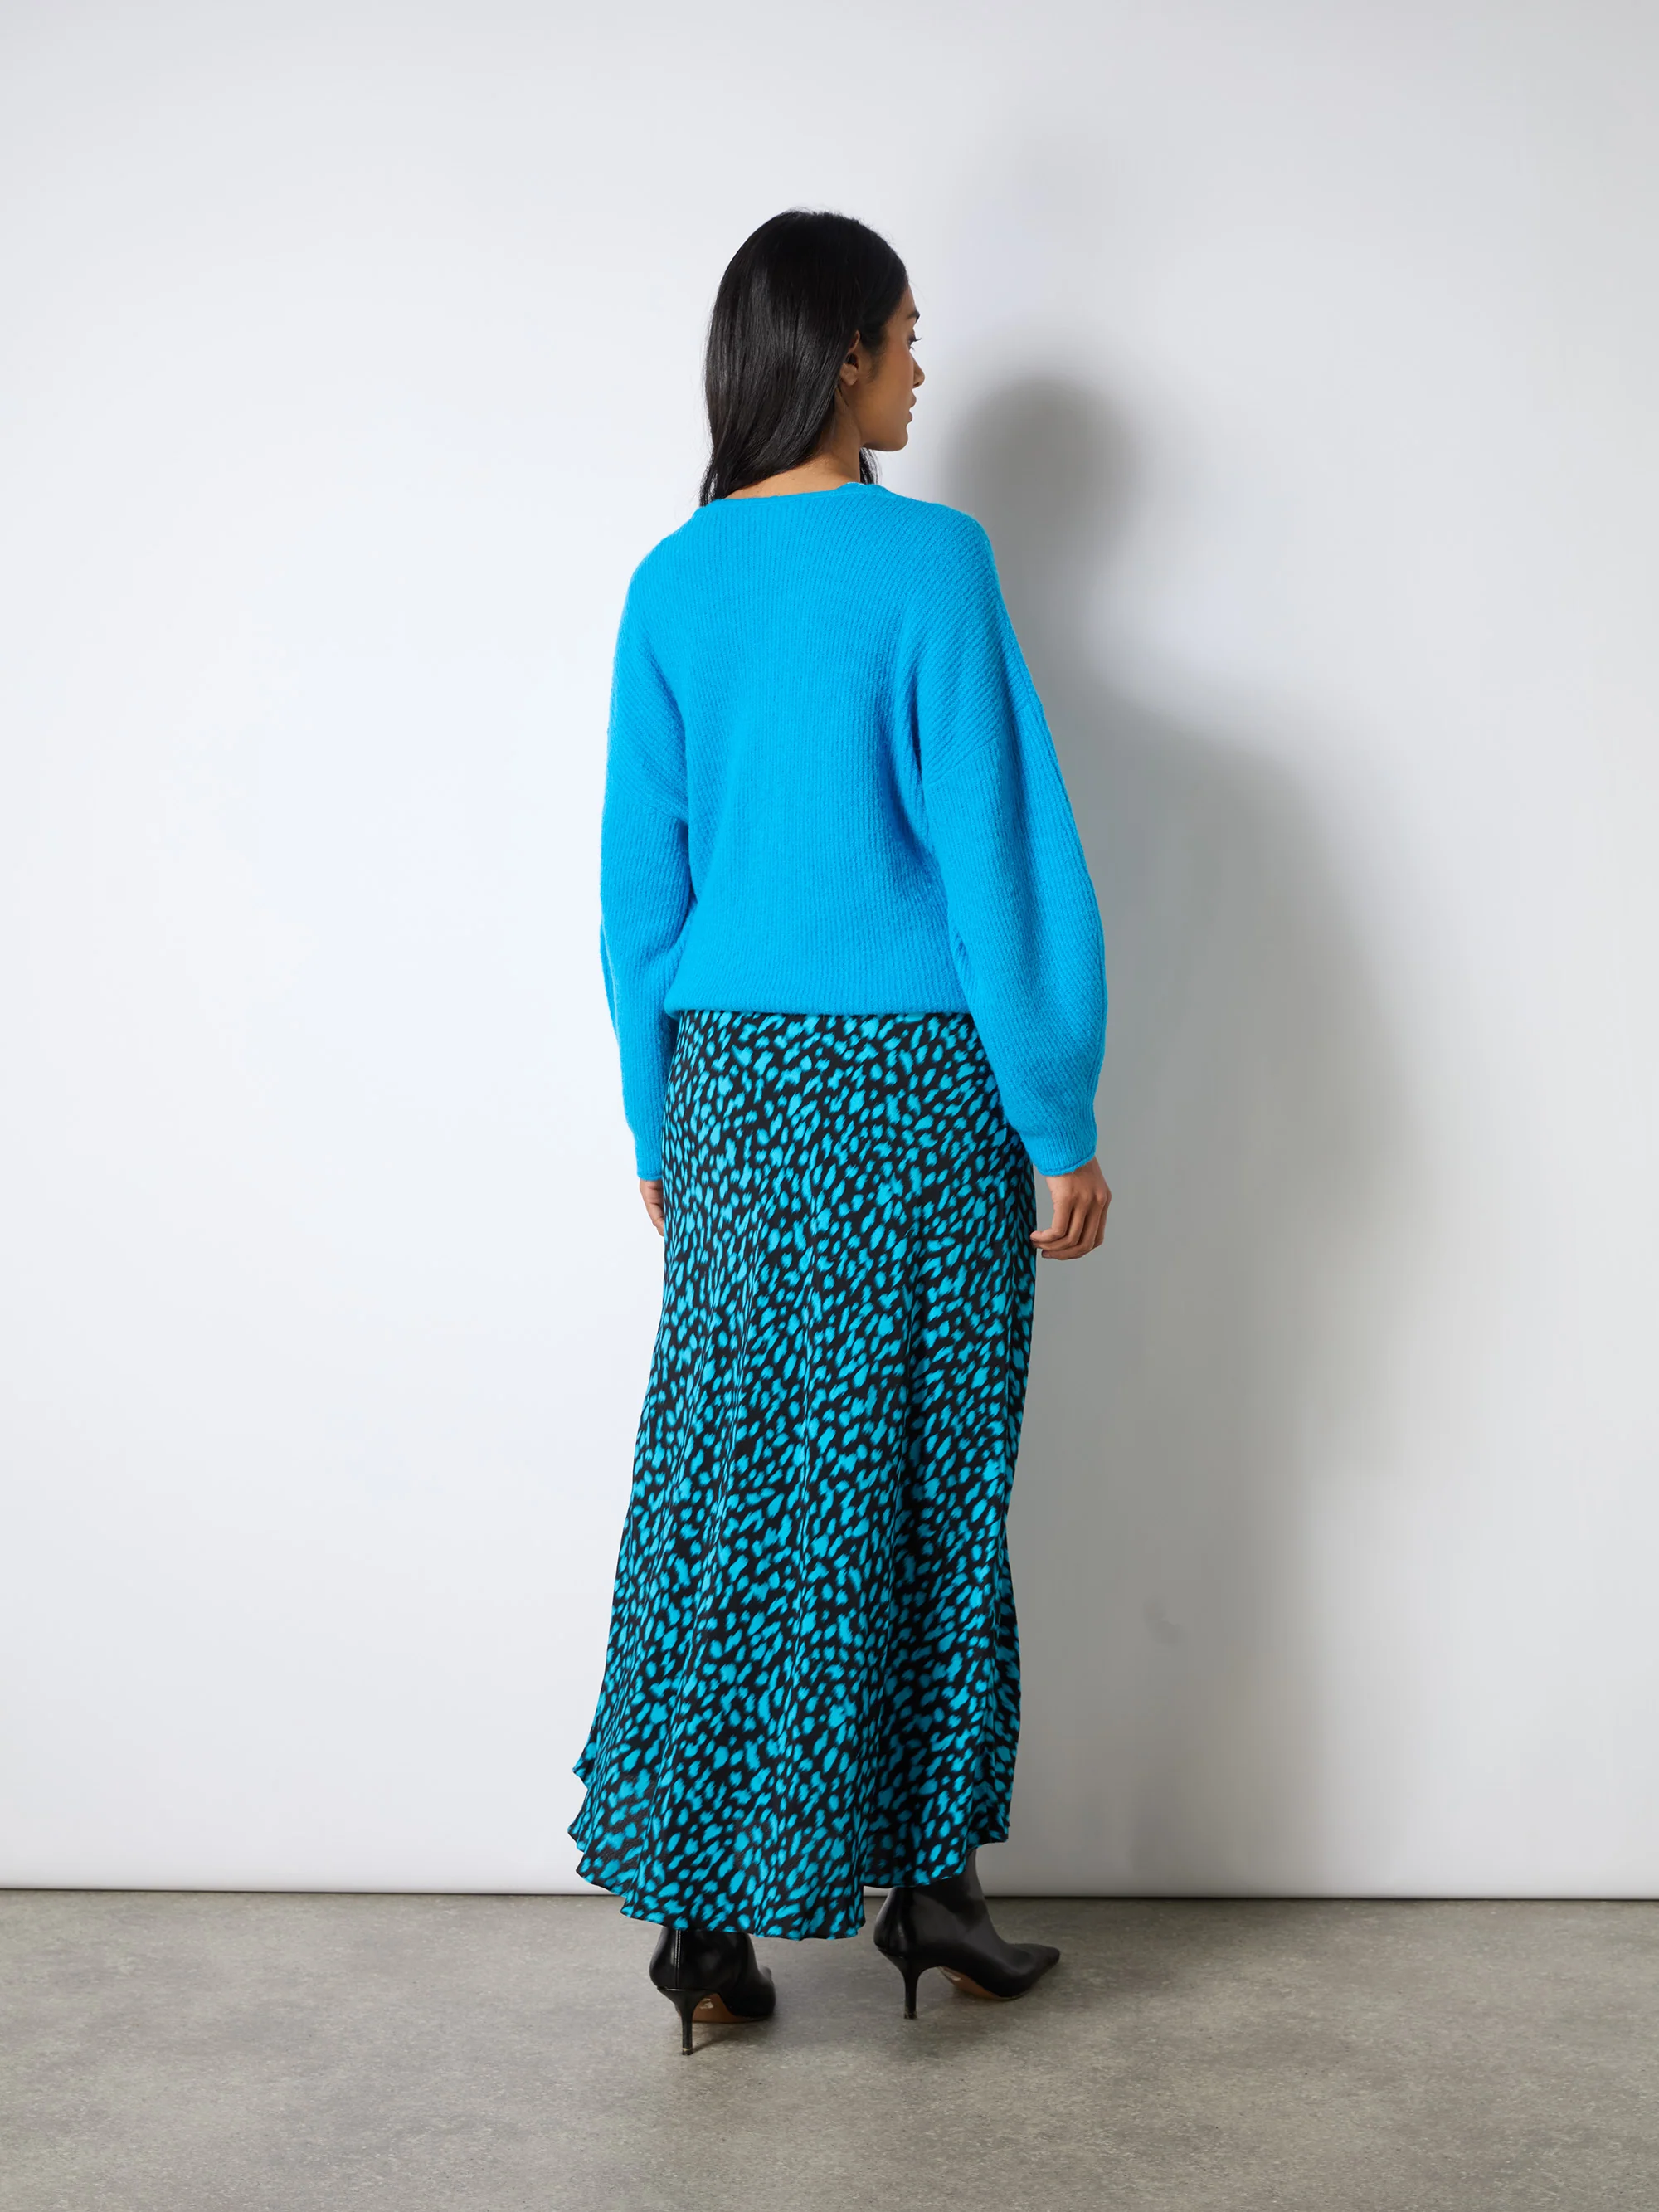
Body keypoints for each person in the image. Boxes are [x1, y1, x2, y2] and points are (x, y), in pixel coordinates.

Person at [571, 208, 1111, 2053]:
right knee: (929, 1484)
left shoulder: (672, 581)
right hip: (917, 1092)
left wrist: (659, 1115)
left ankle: (701, 1923)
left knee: (725, 1480)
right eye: (904, 335)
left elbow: (638, 895)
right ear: (841, 355)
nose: (921, 368)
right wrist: (1056, 1115)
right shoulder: (933, 563)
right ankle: (931, 1888)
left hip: (735, 1093)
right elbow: (996, 870)